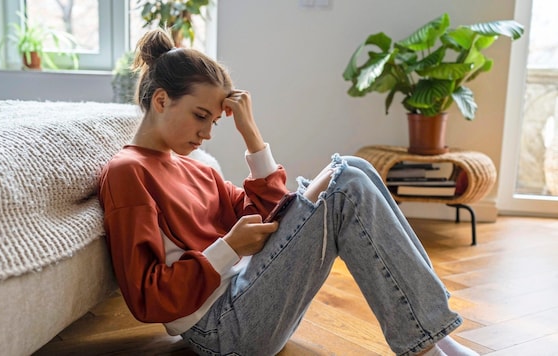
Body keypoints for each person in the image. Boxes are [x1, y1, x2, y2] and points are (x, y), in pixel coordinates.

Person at [98, 28, 478, 356]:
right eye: (201, 116)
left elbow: (269, 215)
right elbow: (145, 296)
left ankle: (434, 338)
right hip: (222, 331)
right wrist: (229, 247)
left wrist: (251, 133)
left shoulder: (198, 168)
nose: (208, 132)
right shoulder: (129, 172)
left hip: (249, 296)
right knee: (345, 187)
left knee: (352, 167)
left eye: (215, 121)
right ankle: (428, 342)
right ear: (162, 100)